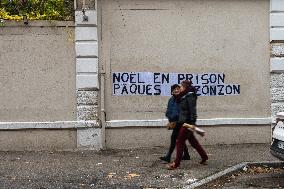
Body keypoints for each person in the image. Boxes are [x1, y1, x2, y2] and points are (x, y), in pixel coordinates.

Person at [167, 80, 208, 170]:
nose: (179, 88)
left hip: (188, 123)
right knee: (193, 142)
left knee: (179, 141)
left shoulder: (190, 96)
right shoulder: (184, 96)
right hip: (184, 122)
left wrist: (192, 123)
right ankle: (204, 157)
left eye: (180, 87)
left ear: (185, 87)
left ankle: (176, 164)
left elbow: (192, 110)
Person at [160, 84, 191, 163]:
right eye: (174, 89)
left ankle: (168, 156)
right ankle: (186, 155)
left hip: (181, 122)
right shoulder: (171, 99)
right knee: (180, 139)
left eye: (178, 89)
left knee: (173, 138)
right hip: (174, 122)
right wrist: (169, 117)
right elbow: (169, 109)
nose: (176, 90)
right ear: (172, 91)